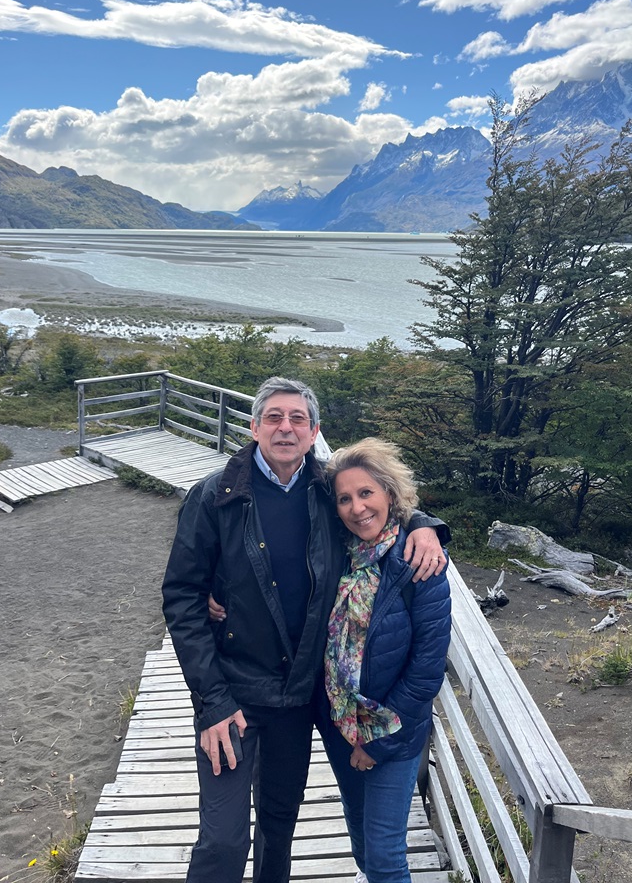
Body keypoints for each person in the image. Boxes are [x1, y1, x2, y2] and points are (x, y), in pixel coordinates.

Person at [161, 376, 447, 883]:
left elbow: (376, 504)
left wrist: (426, 526)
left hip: (297, 698)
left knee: (279, 828)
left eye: (298, 419)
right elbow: (182, 594)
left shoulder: (324, 491)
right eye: (273, 417)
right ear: (254, 427)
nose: (285, 427)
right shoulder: (214, 496)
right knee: (223, 839)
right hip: (230, 692)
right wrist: (212, 702)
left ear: (314, 433)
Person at [319, 437, 452, 883]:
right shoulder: (336, 553)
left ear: (390, 495)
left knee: (385, 856)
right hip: (341, 723)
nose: (357, 508)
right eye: (345, 498)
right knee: (359, 832)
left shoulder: (419, 560)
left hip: (394, 729)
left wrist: (374, 743)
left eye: (366, 493)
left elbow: (427, 670)